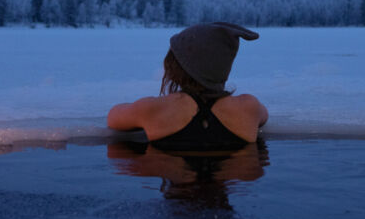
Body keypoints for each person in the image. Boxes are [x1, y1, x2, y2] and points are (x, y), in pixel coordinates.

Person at [107, 22, 269, 148]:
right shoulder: (249, 108)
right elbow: (263, 118)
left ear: (178, 68)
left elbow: (113, 118)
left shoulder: (153, 110)